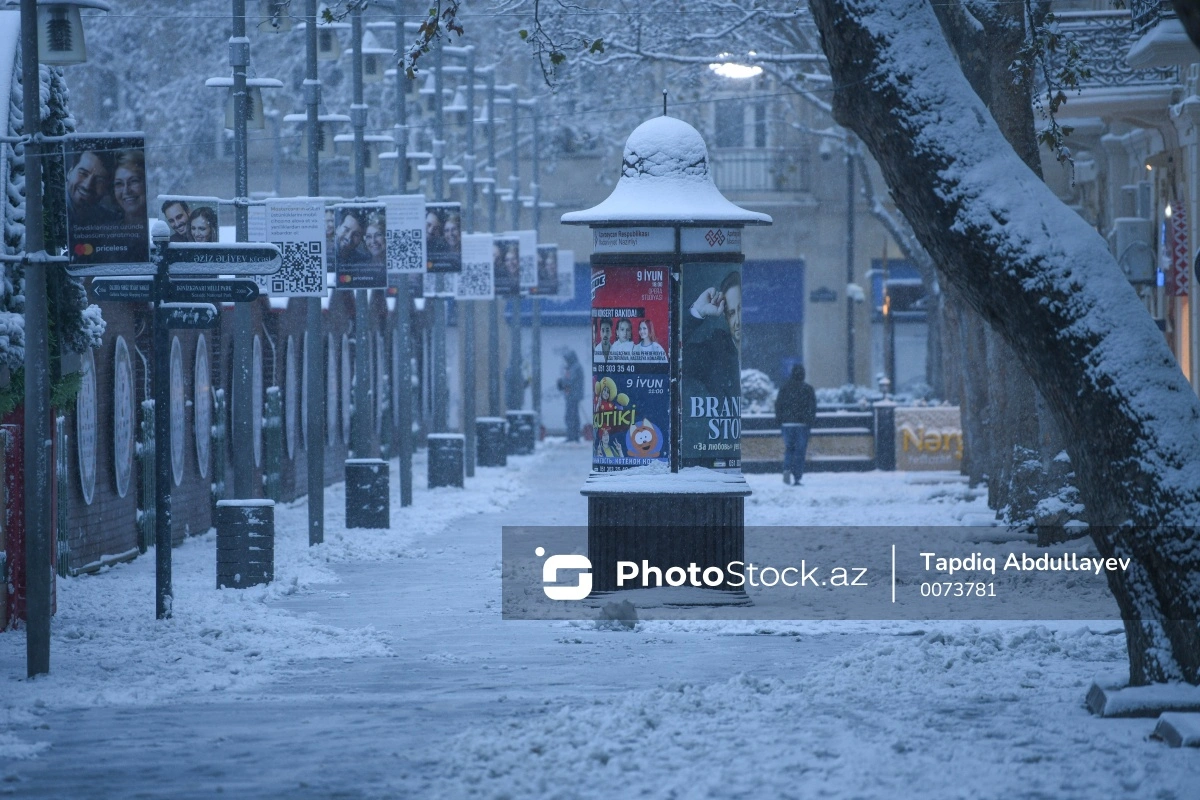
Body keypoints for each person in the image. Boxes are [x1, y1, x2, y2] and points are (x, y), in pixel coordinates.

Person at [682, 269, 743, 400]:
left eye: (741, 310)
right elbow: (668, 355)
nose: (737, 321)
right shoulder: (714, 353)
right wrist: (698, 310)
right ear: (726, 317)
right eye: (731, 313)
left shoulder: (768, 350)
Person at [775, 364, 817, 485]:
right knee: (800, 451)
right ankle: (797, 477)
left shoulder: (784, 388)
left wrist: (779, 420)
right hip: (802, 424)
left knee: (789, 449)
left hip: (787, 424)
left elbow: (778, 405)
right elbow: (812, 407)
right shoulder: (808, 389)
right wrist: (810, 421)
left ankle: (787, 469)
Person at [66, 148, 120, 226]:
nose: (87, 185)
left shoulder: (109, 219)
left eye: (99, 180)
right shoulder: (54, 206)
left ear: (107, 188)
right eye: (83, 173)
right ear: (70, 172)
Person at [112, 149, 147, 226]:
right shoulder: (109, 232)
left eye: (134, 181)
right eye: (119, 183)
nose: (126, 191)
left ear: (146, 183)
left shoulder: (160, 226)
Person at [557, 350, 585, 442]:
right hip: (572, 396)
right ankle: (574, 436)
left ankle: (572, 436)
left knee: (570, 416)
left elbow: (570, 380)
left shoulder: (575, 367)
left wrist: (561, 383)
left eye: (567, 359)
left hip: (573, 396)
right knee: (573, 416)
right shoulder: (573, 367)